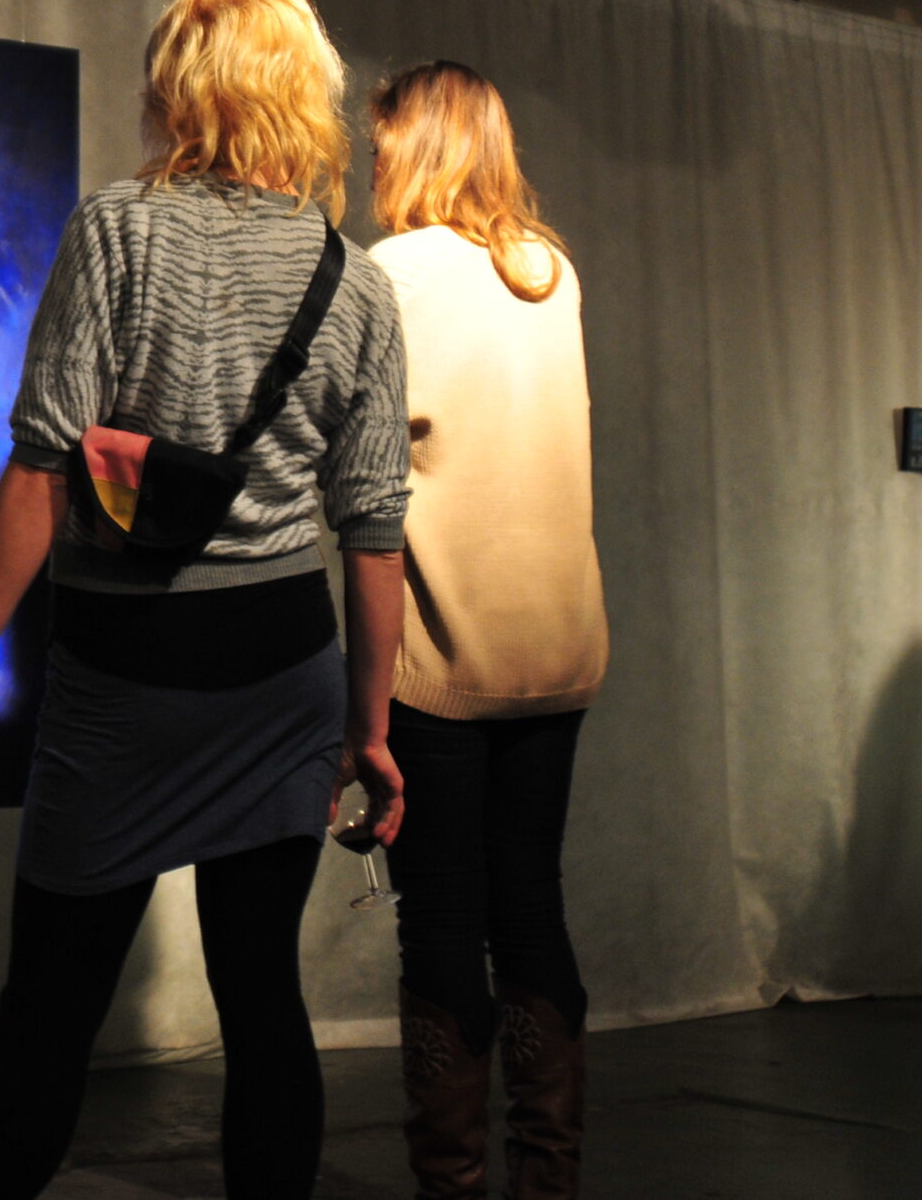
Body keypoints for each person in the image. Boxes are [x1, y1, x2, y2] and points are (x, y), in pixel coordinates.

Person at [0, 0, 412, 1200]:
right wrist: (370, 726)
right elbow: (373, 532)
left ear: (179, 86)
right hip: (282, 667)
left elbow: (41, 461)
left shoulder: (117, 229)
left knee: (47, 1017)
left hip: (122, 669)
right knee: (262, 999)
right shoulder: (355, 280)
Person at [368, 62, 607, 1200]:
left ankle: (452, 1180)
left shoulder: (392, 273)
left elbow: (365, 475)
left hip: (441, 656)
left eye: (381, 141)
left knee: (441, 921)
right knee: (531, 905)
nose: (370, 161)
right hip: (559, 650)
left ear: (413, 145)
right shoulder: (548, 272)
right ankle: (548, 1178)